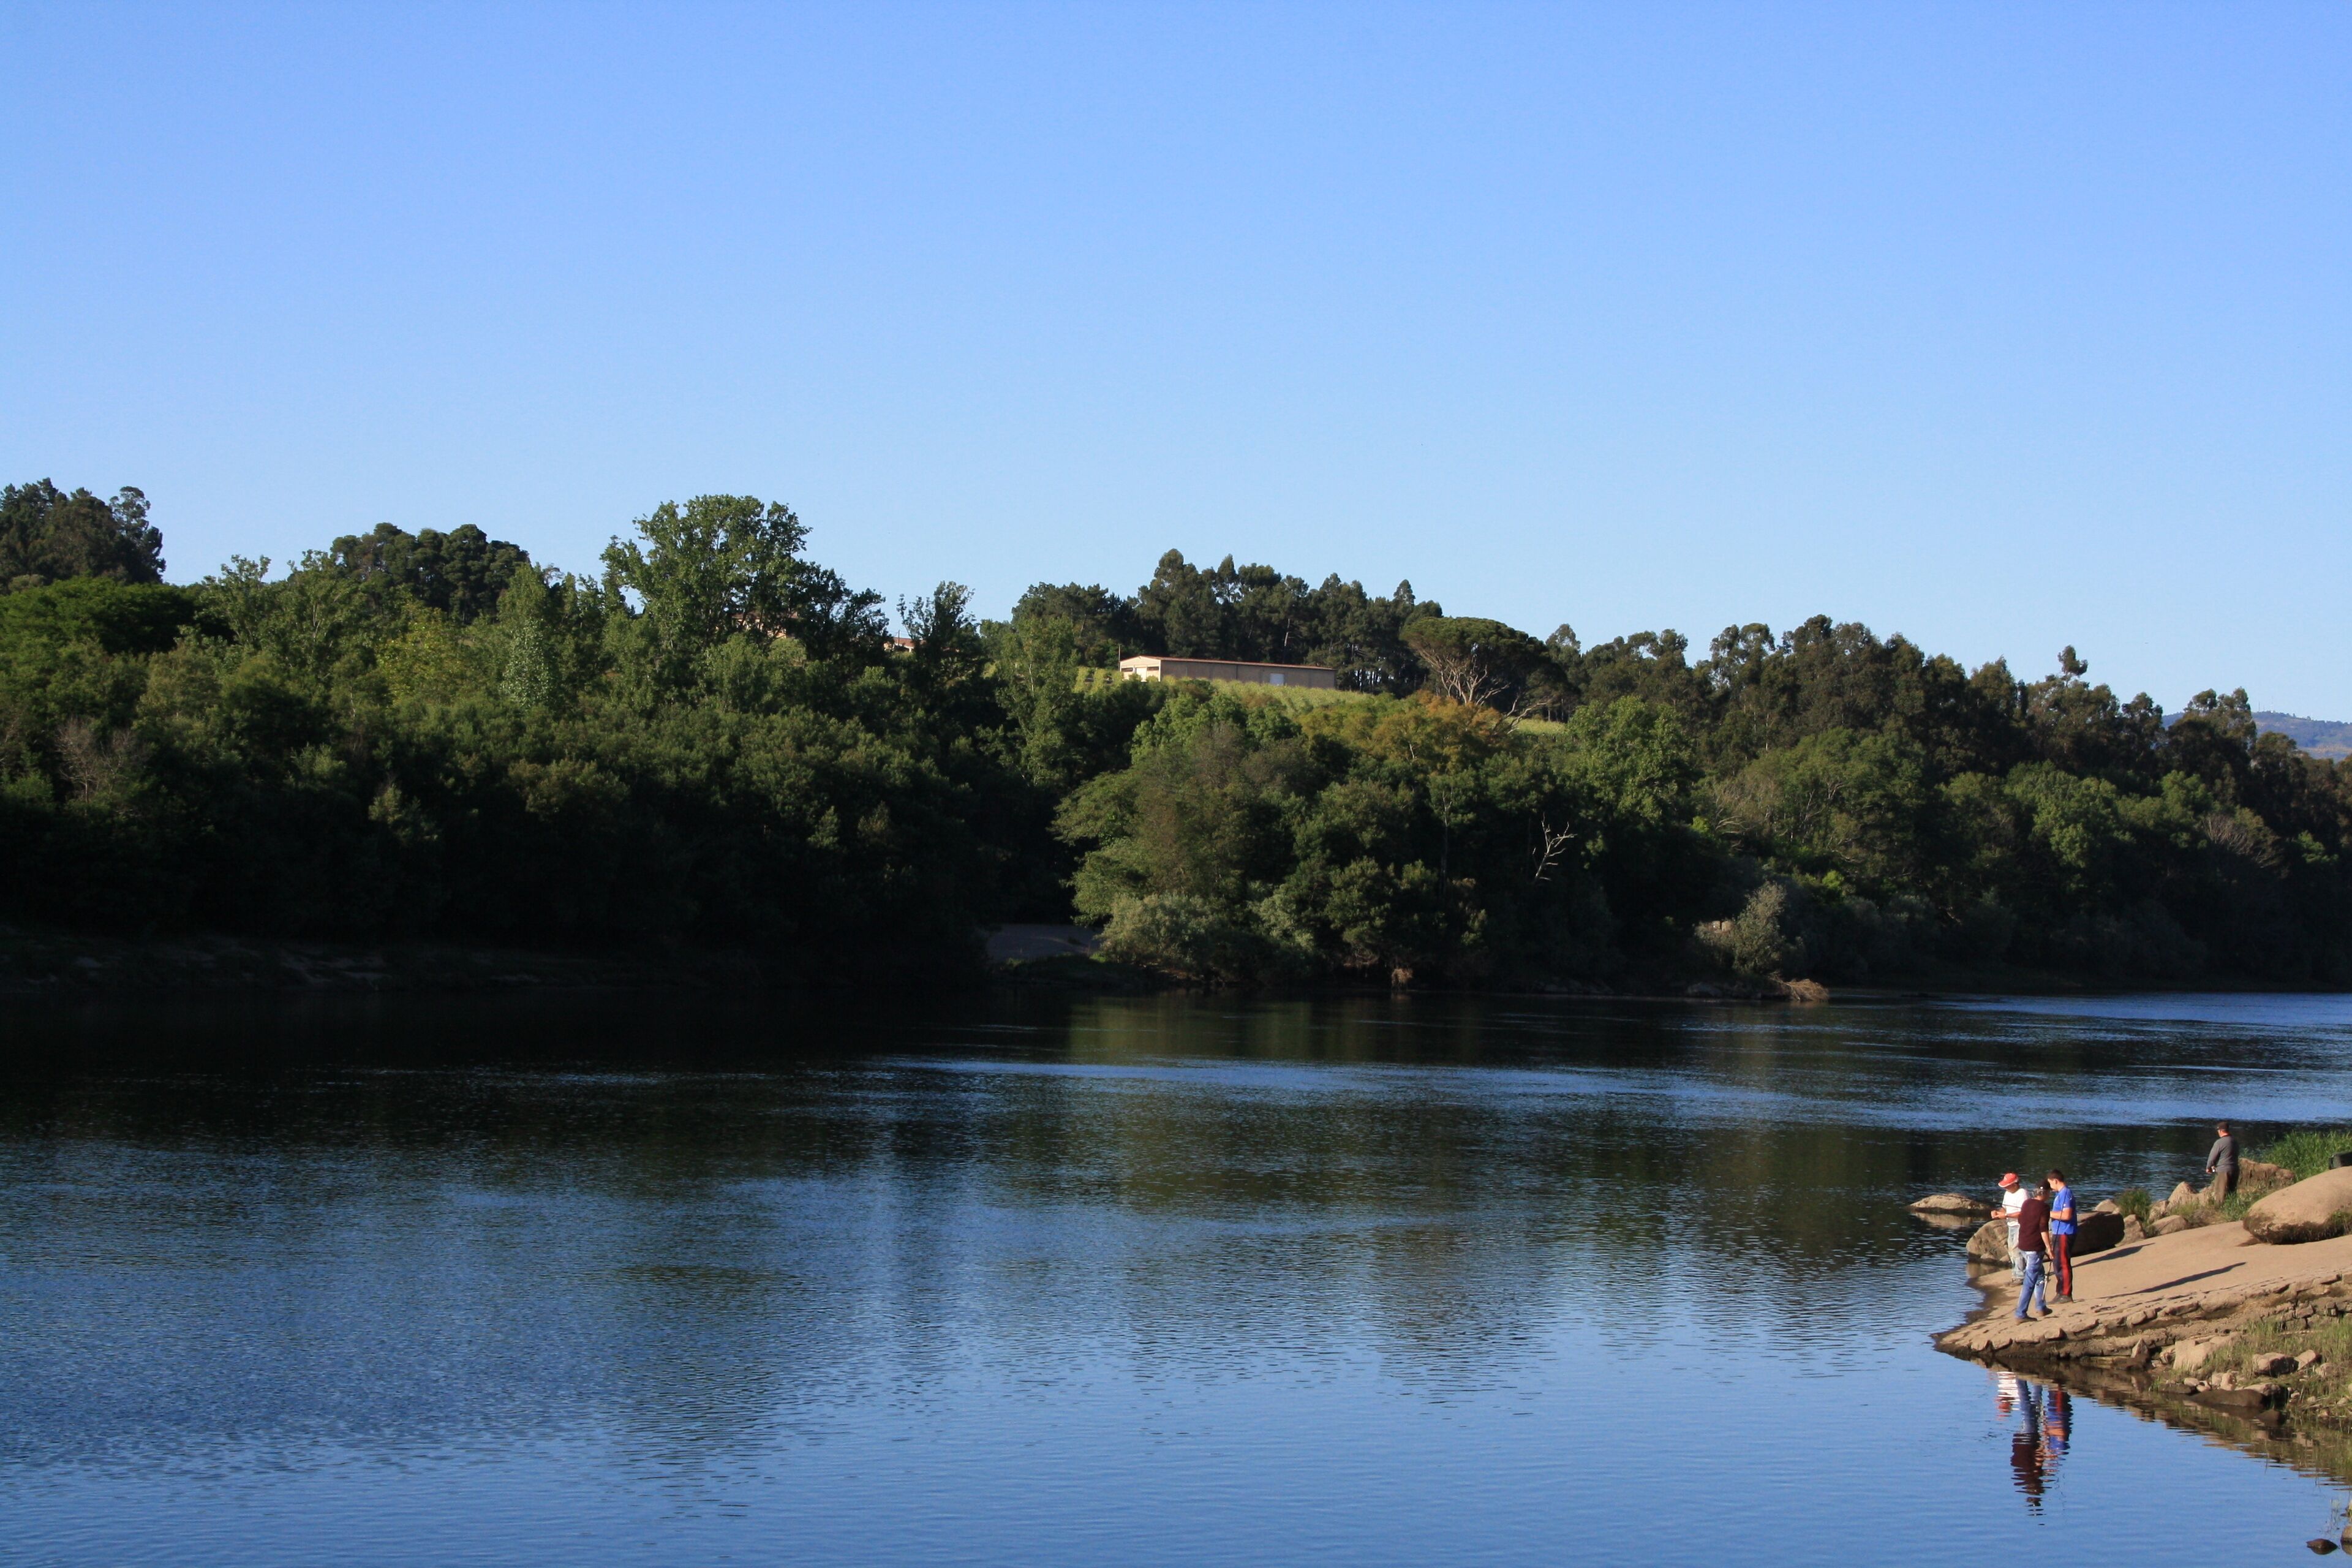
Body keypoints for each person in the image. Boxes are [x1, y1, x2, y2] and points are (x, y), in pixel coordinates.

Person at [2013, 1178, 2053, 1319]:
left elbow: (2022, 1221)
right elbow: (2043, 1228)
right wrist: (2049, 1248)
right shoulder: (2044, 1207)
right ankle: (2021, 1313)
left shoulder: (2027, 1203)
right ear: (2047, 1193)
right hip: (2034, 1248)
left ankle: (2041, 1306)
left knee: (2040, 1275)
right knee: (2030, 1280)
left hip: (2024, 1245)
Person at [2046, 1168, 2076, 1303]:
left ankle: (2066, 1293)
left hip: (2065, 1232)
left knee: (2063, 1262)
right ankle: (2060, 1291)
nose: (2050, 1187)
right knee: (2058, 1262)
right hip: (2059, 1232)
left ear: (2055, 1181)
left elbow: (2066, 1215)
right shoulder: (2060, 1194)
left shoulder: (2066, 1194)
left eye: (2050, 1183)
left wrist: (2048, 1213)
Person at [1992, 1173, 2028, 1281]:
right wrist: (1998, 1213)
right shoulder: (2007, 1194)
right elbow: (2005, 1209)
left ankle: (2020, 1276)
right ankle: (2016, 1273)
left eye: (2008, 1186)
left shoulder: (2022, 1193)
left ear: (2015, 1184)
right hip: (2011, 1225)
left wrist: (2006, 1215)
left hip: (2020, 1225)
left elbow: (2023, 1213)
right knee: (2012, 1251)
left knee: (2017, 1250)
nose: (2006, 1188)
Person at [2206, 1122, 2239, 1199]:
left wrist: (2209, 1167)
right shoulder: (2235, 1141)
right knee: (2232, 1192)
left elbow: (2212, 1157)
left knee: (2220, 1194)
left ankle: (2219, 1209)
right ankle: (2231, 1207)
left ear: (2221, 1131)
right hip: (2235, 1169)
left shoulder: (2220, 1142)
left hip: (2223, 1171)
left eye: (2218, 1130)